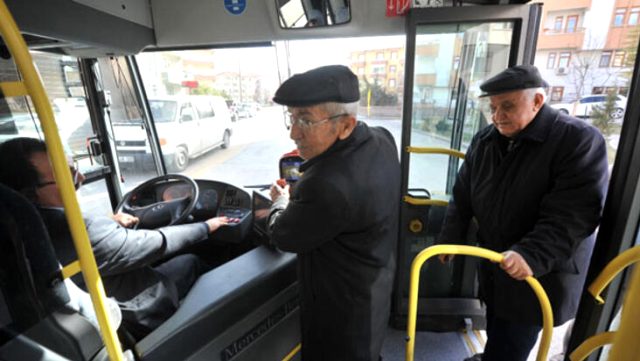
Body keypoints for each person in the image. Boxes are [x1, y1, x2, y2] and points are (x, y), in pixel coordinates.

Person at [437, 65, 609, 361]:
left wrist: (531, 255)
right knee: (496, 325)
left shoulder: (578, 140)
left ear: (538, 101)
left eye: (507, 106)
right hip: (495, 263)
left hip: (537, 272)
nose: (497, 115)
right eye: (493, 107)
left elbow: (573, 214)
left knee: (513, 341)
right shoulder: (486, 140)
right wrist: (450, 235)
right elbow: (463, 194)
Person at [0, 137, 236, 339]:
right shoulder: (83, 230)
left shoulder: (18, 227)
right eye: (67, 174)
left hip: (66, 315)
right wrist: (206, 226)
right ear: (28, 195)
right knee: (191, 262)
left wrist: (109, 222)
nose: (79, 178)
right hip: (133, 313)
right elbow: (154, 244)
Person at [267, 65, 400, 361]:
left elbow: (282, 235)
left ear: (346, 125)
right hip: (375, 284)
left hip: (340, 309)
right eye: (292, 118)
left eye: (306, 120)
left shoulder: (327, 186)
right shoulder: (381, 139)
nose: (293, 133)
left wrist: (280, 201)